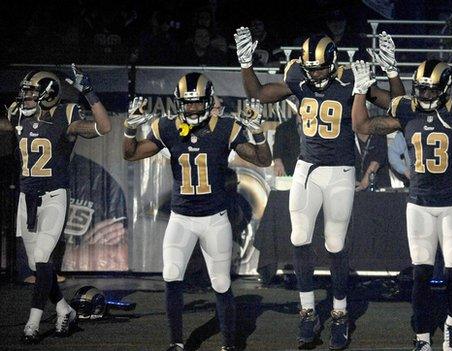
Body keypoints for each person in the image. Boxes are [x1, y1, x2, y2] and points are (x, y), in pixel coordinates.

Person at [234, 27, 404, 349]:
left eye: (321, 68)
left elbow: (395, 103)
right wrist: (246, 64)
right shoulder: (298, 76)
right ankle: (308, 310)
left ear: (333, 61)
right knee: (299, 237)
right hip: (307, 168)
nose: (315, 74)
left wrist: (391, 72)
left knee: (336, 244)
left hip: (340, 170)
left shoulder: (350, 78)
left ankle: (339, 313)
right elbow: (258, 93)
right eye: (310, 68)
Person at [122, 73, 271, 351]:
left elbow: (264, 160)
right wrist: (129, 129)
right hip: (181, 219)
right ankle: (176, 342)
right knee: (171, 275)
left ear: (208, 101)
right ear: (178, 102)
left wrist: (259, 133)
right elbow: (131, 154)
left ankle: (228, 344)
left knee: (221, 282)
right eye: (187, 103)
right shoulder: (167, 127)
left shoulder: (225, 127)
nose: (191, 109)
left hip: (214, 219)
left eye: (197, 103)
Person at [351, 58, 452, 351]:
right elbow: (361, 124)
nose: (425, 96)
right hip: (419, 204)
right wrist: (360, 90)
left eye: (431, 90)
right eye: (421, 89)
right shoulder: (407, 110)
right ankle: (421, 338)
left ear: (445, 88)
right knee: (421, 274)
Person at [0, 65, 112, 343]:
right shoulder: (18, 114)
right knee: (38, 267)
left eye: (31, 93)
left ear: (48, 94)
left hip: (53, 196)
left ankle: (33, 322)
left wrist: (88, 92)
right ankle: (64, 310)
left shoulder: (66, 114)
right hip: (27, 198)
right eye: (25, 92)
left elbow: (104, 127)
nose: (25, 97)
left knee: (42, 259)